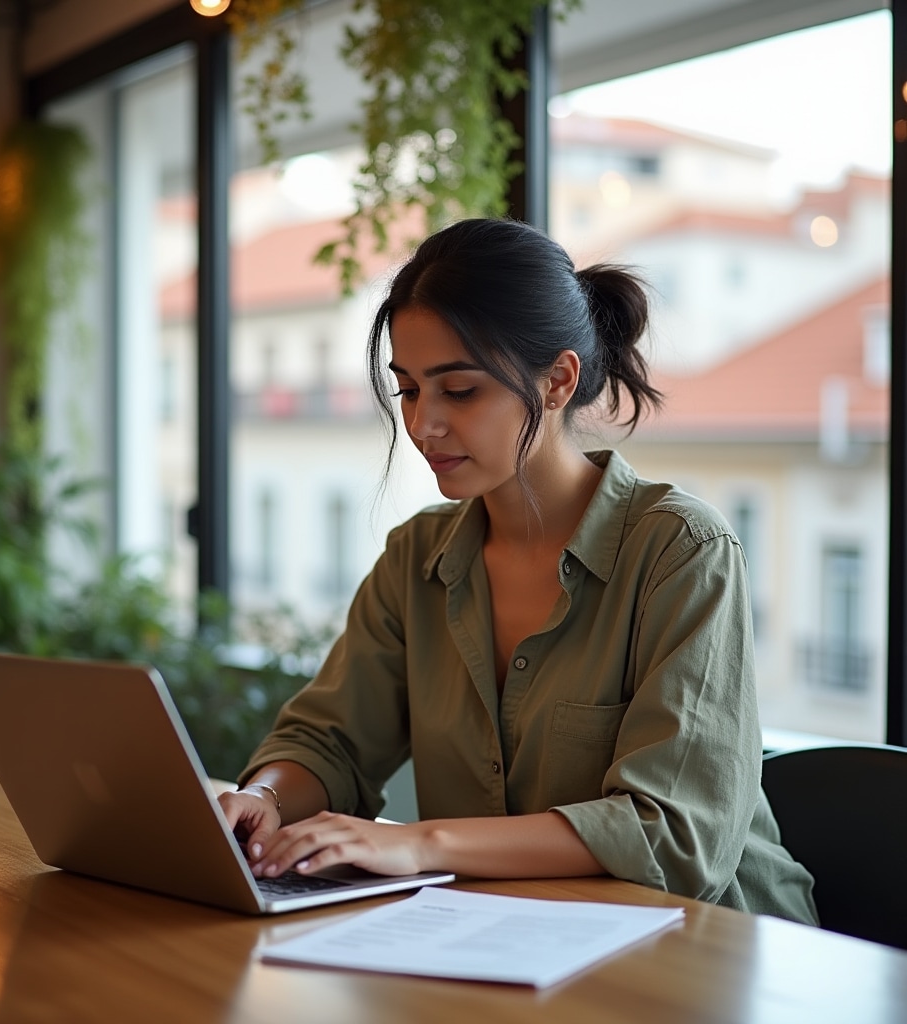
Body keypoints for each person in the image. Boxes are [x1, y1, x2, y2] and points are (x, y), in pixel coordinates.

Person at [219, 217, 818, 925]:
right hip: (513, 938)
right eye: (409, 389)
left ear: (559, 380)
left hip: (721, 953)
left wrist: (420, 844)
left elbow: (676, 837)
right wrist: (262, 799)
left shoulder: (681, 552)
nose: (423, 424)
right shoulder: (416, 560)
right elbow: (330, 741)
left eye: (460, 391)